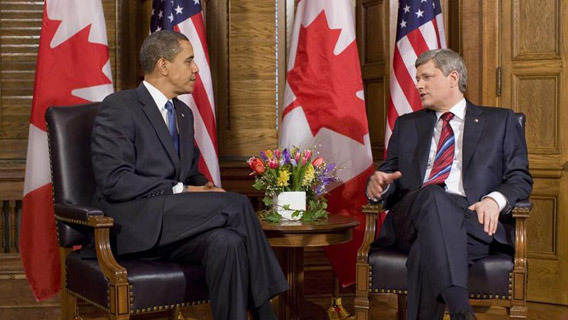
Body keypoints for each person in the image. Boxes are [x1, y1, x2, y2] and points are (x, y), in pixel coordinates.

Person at [91, 30, 288, 320]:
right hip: (135, 226)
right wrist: (182, 191)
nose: (196, 69)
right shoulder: (120, 107)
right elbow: (114, 181)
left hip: (176, 226)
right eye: (189, 61)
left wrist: (202, 187)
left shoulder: (182, 113)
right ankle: (264, 311)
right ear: (163, 65)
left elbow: (189, 172)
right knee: (236, 204)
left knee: (228, 243)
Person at [366, 49, 532, 320]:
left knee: (425, 251)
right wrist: (379, 186)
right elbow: (389, 177)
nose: (418, 85)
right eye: (417, 78)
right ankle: (460, 309)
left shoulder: (500, 122)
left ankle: (460, 311)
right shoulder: (407, 125)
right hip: (412, 217)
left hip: (472, 221)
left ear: (453, 77)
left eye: (427, 77)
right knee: (433, 194)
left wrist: (495, 199)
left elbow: (520, 177)